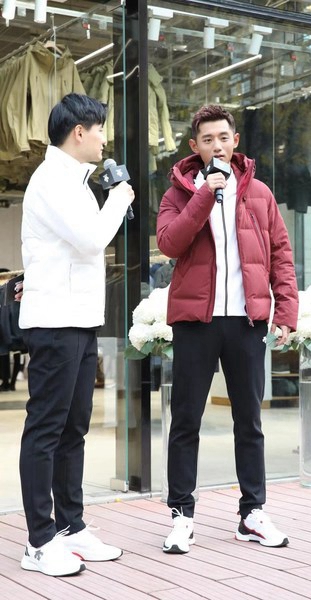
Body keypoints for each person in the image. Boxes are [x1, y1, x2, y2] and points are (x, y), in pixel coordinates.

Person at [156, 104, 298, 554]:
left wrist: (286, 311)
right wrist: (204, 195)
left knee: (249, 421)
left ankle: (252, 513)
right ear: (194, 146)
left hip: (245, 321)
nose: (216, 146)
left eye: (223, 137)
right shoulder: (178, 193)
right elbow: (169, 243)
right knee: (186, 422)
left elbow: (281, 254)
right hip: (195, 323)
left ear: (235, 141)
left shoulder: (259, 193)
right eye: (207, 140)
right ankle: (182, 515)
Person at [18, 93, 135, 577]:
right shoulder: (51, 180)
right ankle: (39, 540)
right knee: (46, 429)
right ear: (79, 132)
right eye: (100, 129)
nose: (105, 138)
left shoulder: (75, 181)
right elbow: (90, 239)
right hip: (55, 322)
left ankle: (70, 525)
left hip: (80, 320)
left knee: (73, 429)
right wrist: (120, 198)